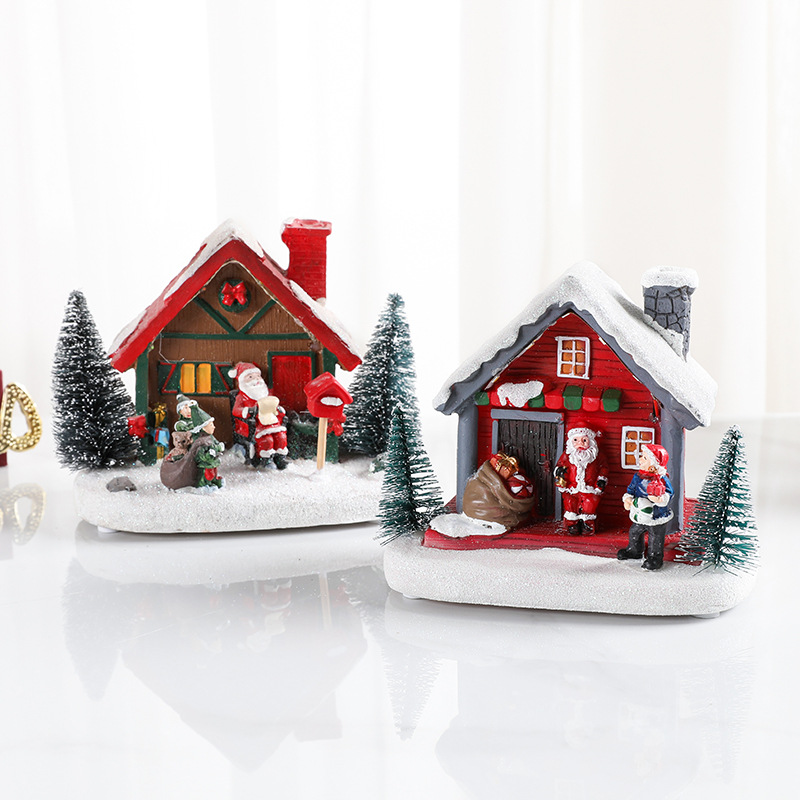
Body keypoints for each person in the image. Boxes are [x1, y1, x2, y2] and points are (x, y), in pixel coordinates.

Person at [617, 443, 674, 570]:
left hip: (656, 515)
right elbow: (631, 489)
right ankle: (634, 551)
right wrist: (628, 499)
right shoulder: (638, 477)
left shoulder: (662, 479)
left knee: (655, 537)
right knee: (634, 531)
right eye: (642, 456)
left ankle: (655, 558)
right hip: (640, 514)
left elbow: (669, 493)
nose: (640, 459)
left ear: (654, 464)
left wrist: (659, 499)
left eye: (644, 458)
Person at [228, 362, 288, 469]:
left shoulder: (266, 393)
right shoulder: (242, 397)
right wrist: (248, 411)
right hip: (255, 424)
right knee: (267, 440)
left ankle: (279, 457)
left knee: (281, 437)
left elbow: (273, 404)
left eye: (258, 376)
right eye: (250, 377)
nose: (256, 380)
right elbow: (236, 411)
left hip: (272, 422)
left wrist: (278, 409)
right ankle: (266, 460)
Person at [554, 423, 607, 535]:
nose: (580, 444)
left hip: (590, 488)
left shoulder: (596, 456)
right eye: (576, 440)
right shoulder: (568, 455)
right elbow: (560, 465)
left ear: (591, 442)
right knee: (570, 503)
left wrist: (601, 480)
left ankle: (587, 524)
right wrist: (560, 472)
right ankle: (572, 524)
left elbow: (603, 468)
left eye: (584, 440)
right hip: (572, 488)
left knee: (590, 504)